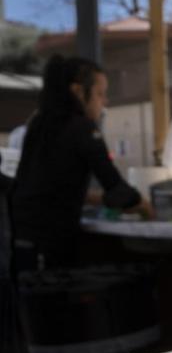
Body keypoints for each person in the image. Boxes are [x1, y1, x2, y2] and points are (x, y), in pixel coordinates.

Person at [9, 55, 144, 272]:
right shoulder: (83, 129)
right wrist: (147, 206)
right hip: (53, 243)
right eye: (100, 94)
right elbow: (119, 191)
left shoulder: (39, 124)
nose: (105, 102)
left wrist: (97, 198)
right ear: (78, 91)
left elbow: (48, 185)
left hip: (21, 240)